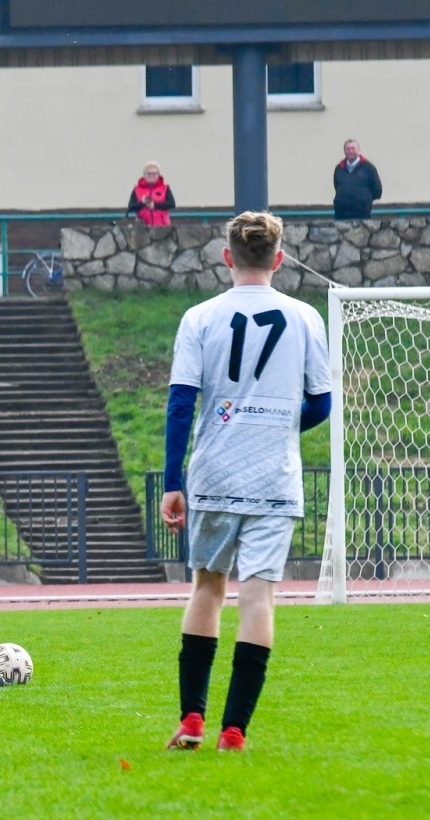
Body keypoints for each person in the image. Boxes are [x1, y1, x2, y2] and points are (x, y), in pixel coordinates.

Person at [159, 212, 332, 752]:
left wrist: (172, 480)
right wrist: (278, 425)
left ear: (227, 257)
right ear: (278, 259)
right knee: (258, 598)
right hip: (274, 477)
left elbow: (181, 402)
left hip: (214, 472)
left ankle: (192, 719)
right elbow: (321, 403)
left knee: (207, 588)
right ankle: (234, 731)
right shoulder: (304, 316)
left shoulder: (200, 317)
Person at [332, 140, 382, 221]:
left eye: (353, 148)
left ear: (358, 150)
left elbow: (377, 190)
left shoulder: (369, 168)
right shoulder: (339, 168)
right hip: (341, 214)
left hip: (362, 215)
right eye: (348, 149)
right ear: (344, 151)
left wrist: (364, 200)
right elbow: (336, 186)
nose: (350, 151)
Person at [126, 162, 175, 227]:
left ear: (158, 174)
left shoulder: (165, 188)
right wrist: (142, 203)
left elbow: (172, 204)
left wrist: (155, 206)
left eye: (154, 173)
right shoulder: (137, 189)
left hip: (162, 227)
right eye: (149, 174)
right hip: (143, 227)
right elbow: (131, 207)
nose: (151, 176)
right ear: (144, 174)